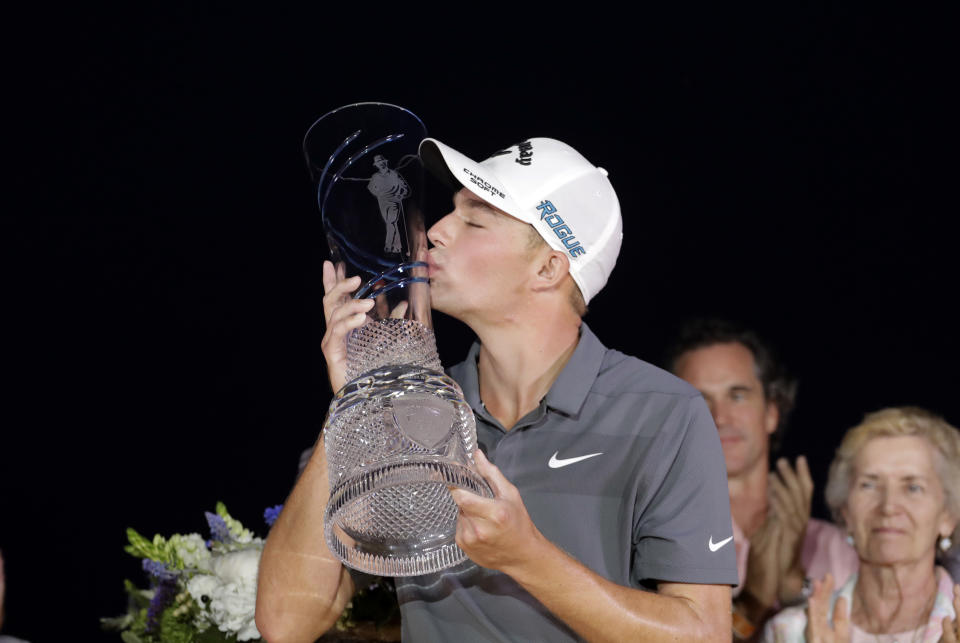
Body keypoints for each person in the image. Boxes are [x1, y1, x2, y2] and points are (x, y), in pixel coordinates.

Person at [256, 137, 739, 641]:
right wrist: (355, 399)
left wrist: (526, 556)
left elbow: (703, 633)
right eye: (451, 213)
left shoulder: (663, 413)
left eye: (475, 219)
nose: (436, 231)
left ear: (548, 267)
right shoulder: (407, 406)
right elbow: (286, 622)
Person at [669, 319, 858, 637]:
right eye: (700, 400)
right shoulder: (657, 540)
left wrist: (796, 588)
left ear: (772, 411)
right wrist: (752, 600)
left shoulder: (836, 547)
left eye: (737, 395)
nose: (720, 417)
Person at [762, 407, 960, 641]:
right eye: (869, 485)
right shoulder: (790, 631)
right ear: (845, 511)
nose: (888, 506)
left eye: (913, 487)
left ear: (948, 515)